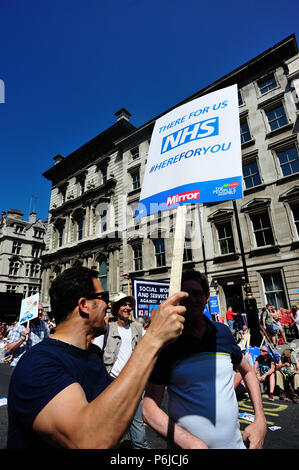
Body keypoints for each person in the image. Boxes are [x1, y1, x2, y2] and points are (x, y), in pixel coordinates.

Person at [7, 266, 187, 448]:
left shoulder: (93, 355)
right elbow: (88, 440)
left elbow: (116, 410)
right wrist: (152, 339)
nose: (108, 305)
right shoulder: (37, 364)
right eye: (103, 298)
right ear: (84, 305)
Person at [143, 269, 266, 449]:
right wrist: (190, 443)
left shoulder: (222, 332)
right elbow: (148, 408)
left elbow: (247, 371)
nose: (192, 299)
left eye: (197, 294)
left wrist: (260, 420)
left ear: (207, 297)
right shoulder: (167, 343)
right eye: (186, 294)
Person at [93, 292, 149, 449]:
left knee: (138, 430)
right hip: (112, 385)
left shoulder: (138, 328)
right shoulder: (106, 330)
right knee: (111, 431)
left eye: (130, 305)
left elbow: (150, 347)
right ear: (116, 308)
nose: (128, 307)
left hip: (134, 385)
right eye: (124, 304)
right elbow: (94, 357)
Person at [6, 304, 50, 370]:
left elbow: (47, 343)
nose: (40, 312)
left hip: (37, 365)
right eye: (38, 310)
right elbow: (9, 349)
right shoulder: (20, 326)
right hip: (20, 365)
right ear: (32, 311)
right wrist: (23, 338)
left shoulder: (43, 325)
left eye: (41, 310)